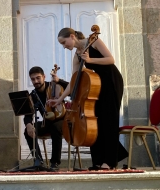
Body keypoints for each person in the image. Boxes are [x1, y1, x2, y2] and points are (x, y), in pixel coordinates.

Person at [48, 25, 128, 170]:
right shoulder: (77, 56)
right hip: (95, 85)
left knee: (109, 120)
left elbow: (111, 59)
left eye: (63, 42)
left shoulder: (94, 40)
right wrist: (59, 100)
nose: (64, 47)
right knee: (95, 123)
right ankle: (97, 161)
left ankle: (110, 162)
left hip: (111, 81)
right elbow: (74, 82)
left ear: (72, 37)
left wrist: (90, 61)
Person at [24, 66, 68, 171]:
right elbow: (27, 115)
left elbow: (72, 89)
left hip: (61, 120)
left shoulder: (55, 86)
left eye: (38, 78)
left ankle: (55, 163)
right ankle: (38, 161)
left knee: (55, 127)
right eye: (33, 79)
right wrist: (29, 125)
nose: (36, 81)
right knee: (27, 131)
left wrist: (59, 81)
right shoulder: (33, 95)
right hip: (46, 122)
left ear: (44, 77)